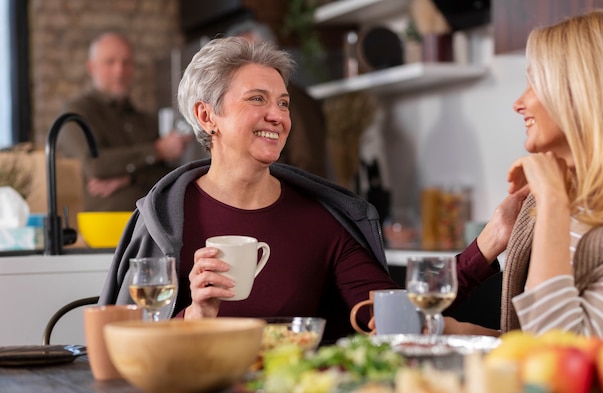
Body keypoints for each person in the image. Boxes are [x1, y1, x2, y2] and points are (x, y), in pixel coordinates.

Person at [98, 37, 521, 340]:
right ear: (207, 115)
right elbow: (123, 348)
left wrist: (488, 242)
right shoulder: (165, 219)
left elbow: (396, 317)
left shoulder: (322, 219)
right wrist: (195, 317)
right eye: (257, 100)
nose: (277, 116)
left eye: (283, 103)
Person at [448, 9, 603, 338]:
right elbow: (535, 345)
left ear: (584, 94)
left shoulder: (559, 206)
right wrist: (462, 333)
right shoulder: (542, 207)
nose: (519, 102)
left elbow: (563, 357)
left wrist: (554, 200)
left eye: (535, 83)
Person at [58, 31, 192, 212]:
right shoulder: (76, 112)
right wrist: (157, 150)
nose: (119, 70)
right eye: (110, 62)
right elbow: (93, 166)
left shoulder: (144, 119)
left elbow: (168, 177)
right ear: (92, 67)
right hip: (100, 229)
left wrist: (130, 177)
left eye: (126, 62)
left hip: (150, 225)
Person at [225, 20, 328, 178]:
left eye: (251, 55)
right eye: (238, 58)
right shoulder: (238, 101)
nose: (245, 65)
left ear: (273, 54)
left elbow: (308, 168)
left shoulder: (297, 102)